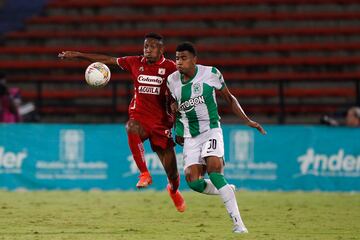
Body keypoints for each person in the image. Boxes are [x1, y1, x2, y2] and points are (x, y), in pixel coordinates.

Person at [58, 33, 185, 212]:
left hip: (161, 124)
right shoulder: (135, 62)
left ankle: (173, 190)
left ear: (161, 49)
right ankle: (144, 173)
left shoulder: (171, 68)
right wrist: (79, 55)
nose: (147, 50)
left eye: (152, 46)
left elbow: (179, 93)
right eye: (145, 46)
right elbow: (108, 59)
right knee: (131, 127)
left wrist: (175, 105)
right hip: (140, 118)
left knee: (172, 173)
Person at [167, 42, 266, 233]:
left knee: (214, 170)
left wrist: (247, 120)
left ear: (195, 60)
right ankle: (226, 189)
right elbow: (175, 109)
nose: (179, 62)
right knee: (193, 182)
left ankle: (238, 224)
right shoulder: (172, 81)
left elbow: (229, 97)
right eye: (177, 58)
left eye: (184, 58)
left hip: (211, 129)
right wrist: (177, 129)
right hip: (190, 136)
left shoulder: (210, 73)